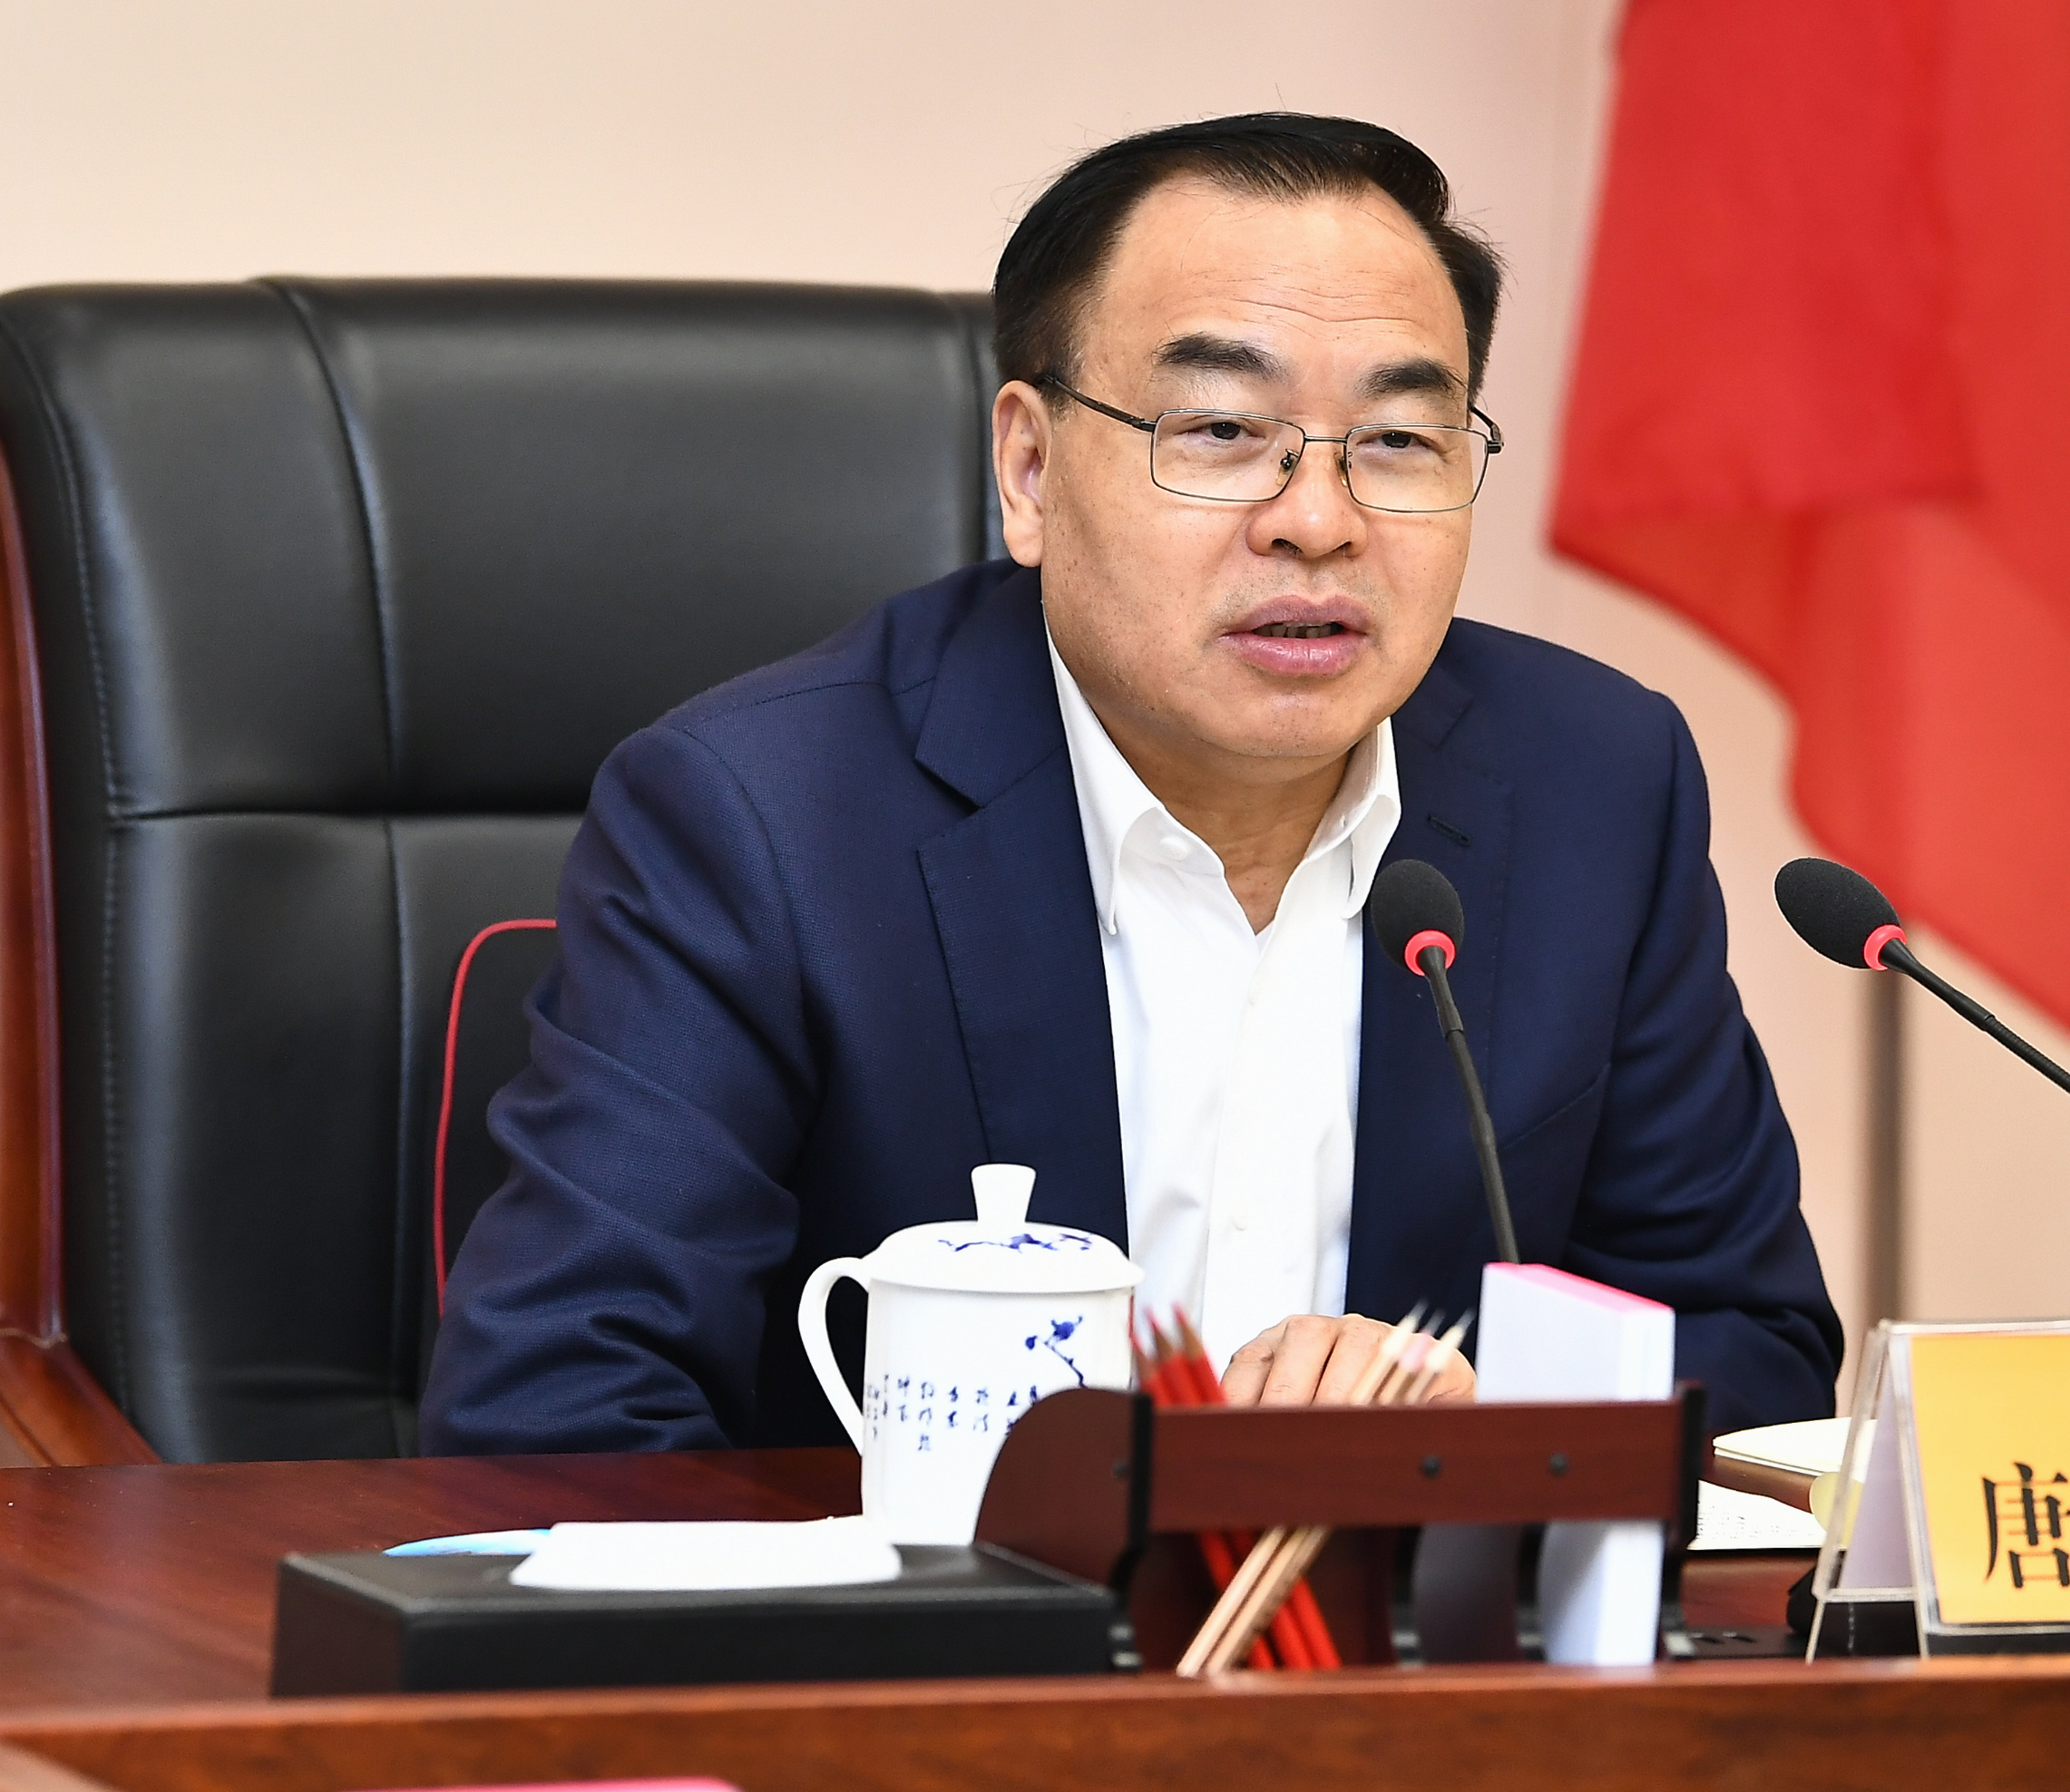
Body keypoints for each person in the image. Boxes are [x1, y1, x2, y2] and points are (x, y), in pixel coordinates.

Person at [423, 113, 1840, 1452]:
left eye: (1399, 441)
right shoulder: (763, 818)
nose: (1318, 520)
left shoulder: (1593, 782)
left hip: (1410, 1626)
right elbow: (559, 1404)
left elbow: (1755, 1348)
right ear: (1030, 469)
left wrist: (1489, 1424)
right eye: (1220, 430)